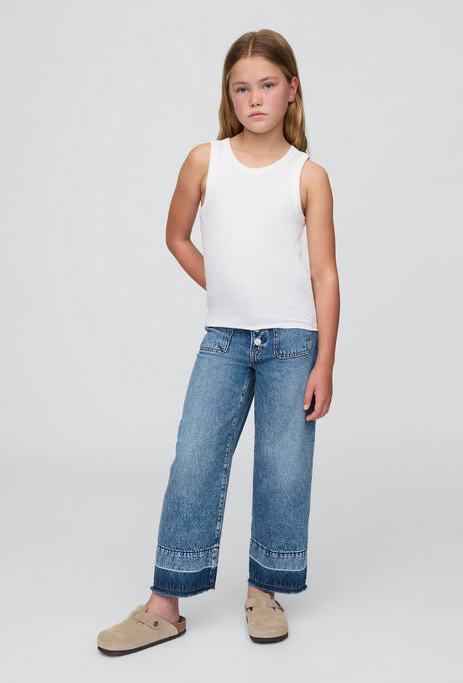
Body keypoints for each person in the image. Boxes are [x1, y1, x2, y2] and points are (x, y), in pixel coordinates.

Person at [97, 28, 340, 655]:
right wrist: (224, 286)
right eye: (241, 88)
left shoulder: (308, 176)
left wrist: (325, 364)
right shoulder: (206, 160)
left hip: (293, 343)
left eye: (267, 85)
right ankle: (164, 605)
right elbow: (177, 236)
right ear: (228, 95)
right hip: (225, 340)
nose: (254, 99)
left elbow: (324, 274)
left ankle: (265, 591)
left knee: (283, 466)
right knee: (195, 457)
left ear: (292, 90)